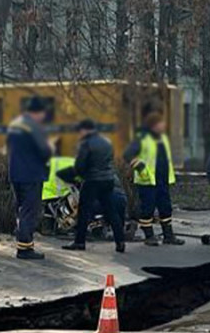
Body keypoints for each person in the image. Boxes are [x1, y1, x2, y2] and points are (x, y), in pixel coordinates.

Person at [62, 119, 126, 253]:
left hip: (92, 180)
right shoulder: (107, 142)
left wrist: (74, 175)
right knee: (111, 210)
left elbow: (80, 166)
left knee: (84, 211)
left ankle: (79, 242)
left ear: (84, 130)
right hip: (108, 180)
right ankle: (120, 242)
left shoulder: (86, 144)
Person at [123, 112, 185, 246]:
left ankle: (168, 236)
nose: (164, 126)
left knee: (165, 207)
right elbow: (128, 155)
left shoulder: (163, 138)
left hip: (162, 179)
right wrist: (140, 168)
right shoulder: (142, 138)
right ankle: (149, 236)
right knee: (147, 209)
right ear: (153, 125)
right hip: (148, 181)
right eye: (161, 123)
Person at [7, 97, 52, 260]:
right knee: (30, 211)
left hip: (16, 174)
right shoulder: (35, 128)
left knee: (21, 209)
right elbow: (44, 151)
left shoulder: (16, 125)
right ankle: (25, 248)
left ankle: (24, 242)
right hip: (32, 174)